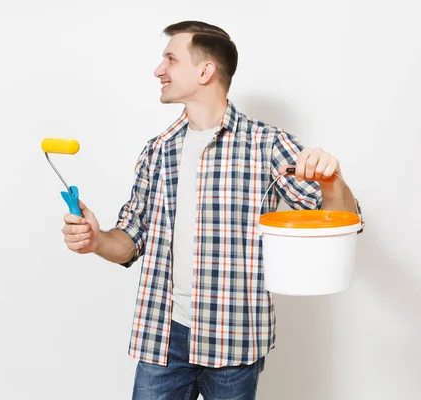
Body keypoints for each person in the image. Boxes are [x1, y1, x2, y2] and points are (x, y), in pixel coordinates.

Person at [60, 20, 363, 400]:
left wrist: (331, 181)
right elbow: (129, 242)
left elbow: (343, 221)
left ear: (205, 71)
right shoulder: (158, 151)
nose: (158, 70)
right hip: (164, 337)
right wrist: (95, 240)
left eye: (170, 59)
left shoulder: (266, 145)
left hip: (235, 341)